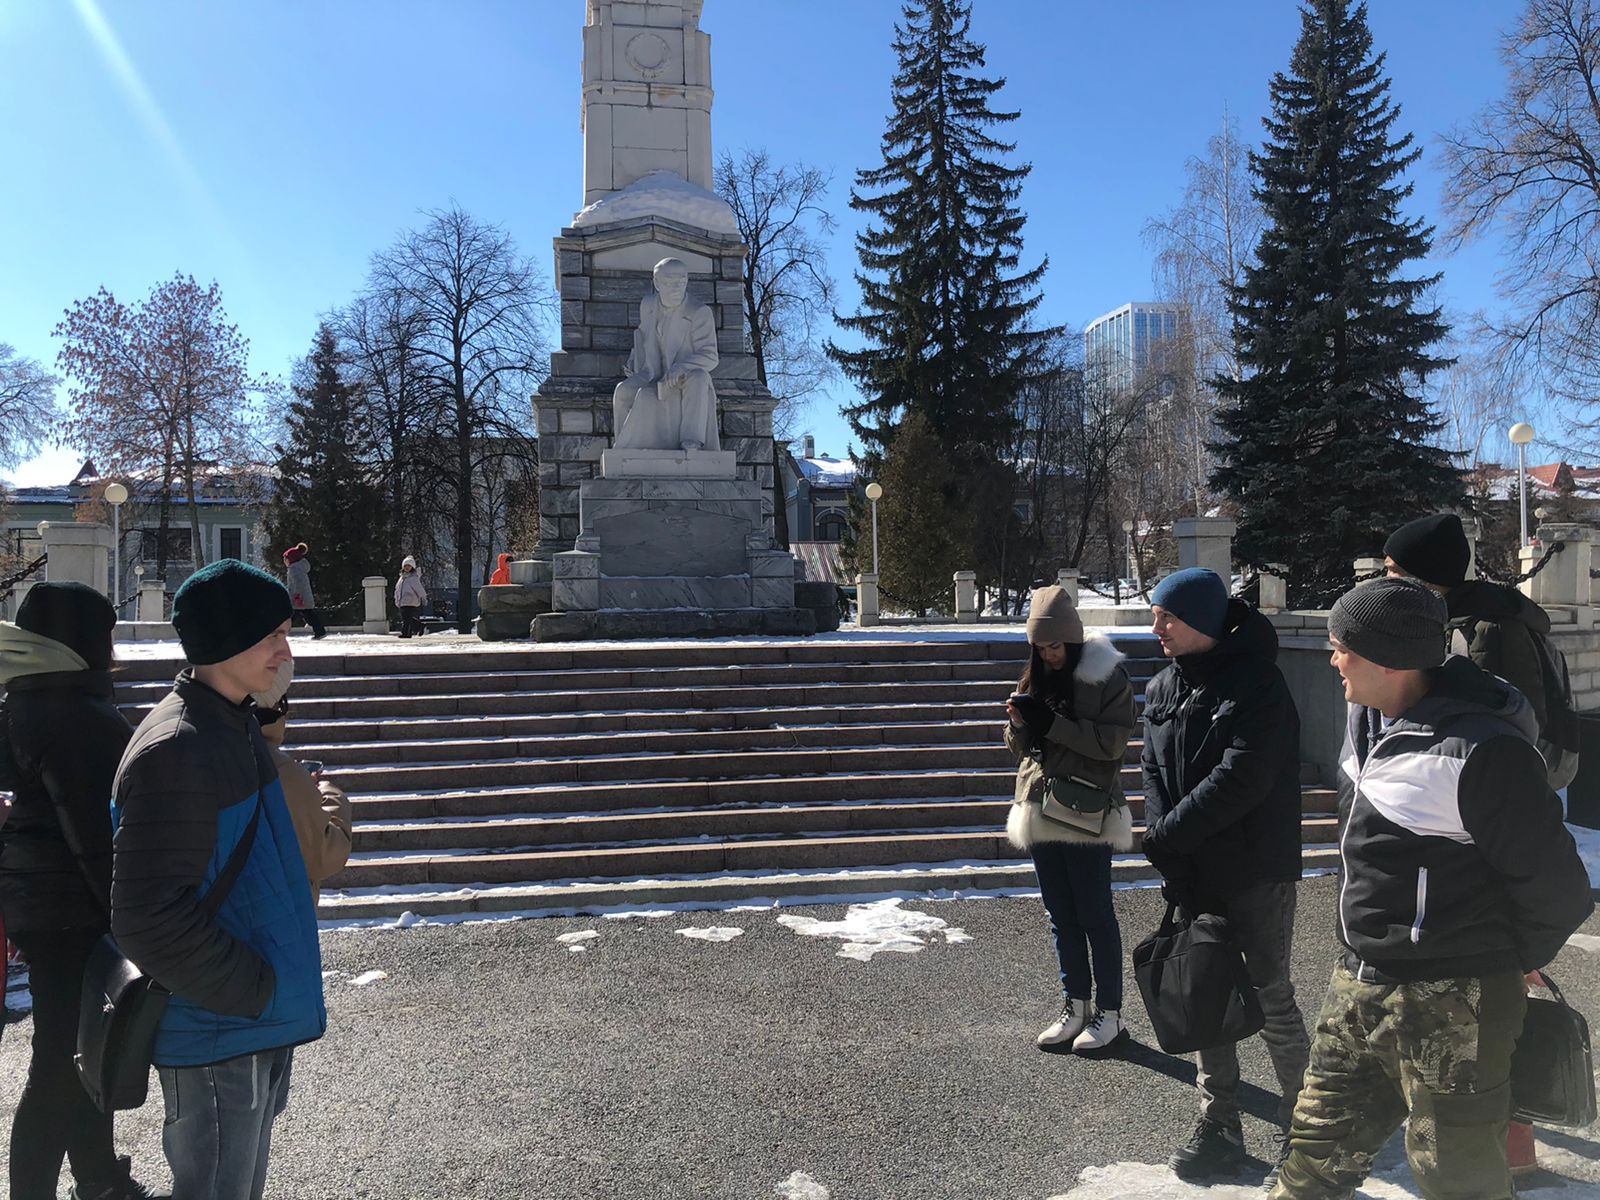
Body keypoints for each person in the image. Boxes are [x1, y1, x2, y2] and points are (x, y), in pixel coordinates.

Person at [1269, 577, 1594, 1200]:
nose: (1333, 660)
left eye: (1342, 648)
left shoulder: (1484, 749)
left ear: (1388, 659)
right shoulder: (1367, 718)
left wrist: (1497, 964)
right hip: (1358, 982)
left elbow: (1560, 890)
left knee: (1460, 1184)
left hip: (1454, 1003)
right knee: (1311, 1163)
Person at [111, 560, 327, 1200]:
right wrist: (252, 989)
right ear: (228, 640)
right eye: (273, 636)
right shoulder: (178, 748)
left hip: (243, 1020)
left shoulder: (227, 722)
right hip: (219, 1025)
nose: (287, 653)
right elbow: (147, 917)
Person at [1140, 567, 1310, 1181]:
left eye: (1168, 616)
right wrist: (1165, 842)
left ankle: (1308, 1128)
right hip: (1193, 871)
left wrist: (1168, 836)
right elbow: (1152, 770)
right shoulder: (1163, 685)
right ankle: (1220, 1125)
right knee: (1204, 995)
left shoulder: (1258, 682)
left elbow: (1244, 776)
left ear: (1203, 620)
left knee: (1270, 996)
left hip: (1256, 868)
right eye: (1155, 614)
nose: (1157, 627)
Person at [0, 583, 162, 1200]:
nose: (113, 649)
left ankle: (98, 1176)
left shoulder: (30, 698)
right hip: (73, 910)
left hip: (47, 906)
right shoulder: (71, 711)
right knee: (60, 1064)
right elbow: (96, 836)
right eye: (106, 636)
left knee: (84, 1050)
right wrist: (129, 915)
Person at [1003, 585, 1137, 1053]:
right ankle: (1075, 1005)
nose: (1049, 655)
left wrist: (1050, 724)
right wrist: (1019, 724)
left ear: (1074, 639)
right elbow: (1019, 749)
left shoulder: (1106, 675)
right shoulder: (1035, 675)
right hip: (1039, 807)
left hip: (1088, 810)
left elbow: (1111, 745)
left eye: (1056, 646)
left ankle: (1110, 1014)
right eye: (1040, 648)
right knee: (1061, 914)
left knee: (1095, 913)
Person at [1384, 512, 1576, 788]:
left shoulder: (1489, 630)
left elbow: (1518, 722)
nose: (1386, 580)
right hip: (1470, 775)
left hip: (1501, 785)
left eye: (1394, 571)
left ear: (1425, 576)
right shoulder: (1448, 618)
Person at [251, 660, 351, 902]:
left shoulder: (210, 743)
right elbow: (324, 853)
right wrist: (329, 793)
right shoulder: (280, 770)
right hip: (275, 907)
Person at [611, 256, 721, 452]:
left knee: (699, 377)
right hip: (652, 373)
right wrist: (635, 358)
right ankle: (622, 450)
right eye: (670, 282)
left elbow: (710, 355)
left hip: (686, 377)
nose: (677, 288)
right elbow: (644, 336)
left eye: (681, 281)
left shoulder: (698, 312)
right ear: (657, 283)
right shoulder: (648, 305)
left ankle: (691, 439)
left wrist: (681, 367)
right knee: (622, 391)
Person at [282, 542, 327, 639]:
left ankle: (281, 633)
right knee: (308, 615)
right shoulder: (299, 568)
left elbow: (298, 584)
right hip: (302, 597)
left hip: (299, 598)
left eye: (286, 559)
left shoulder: (294, 569)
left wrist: (297, 597)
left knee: (294, 616)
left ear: (291, 559)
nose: (284, 561)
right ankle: (320, 632)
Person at [393, 555, 429, 638]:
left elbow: (419, 589)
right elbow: (397, 589)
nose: (407, 567)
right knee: (407, 618)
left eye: (409, 566)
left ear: (412, 567)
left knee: (406, 619)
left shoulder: (413, 578)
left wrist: (423, 597)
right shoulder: (402, 578)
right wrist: (396, 598)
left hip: (410, 600)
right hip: (402, 601)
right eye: (405, 566)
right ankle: (419, 626)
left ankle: (405, 633)